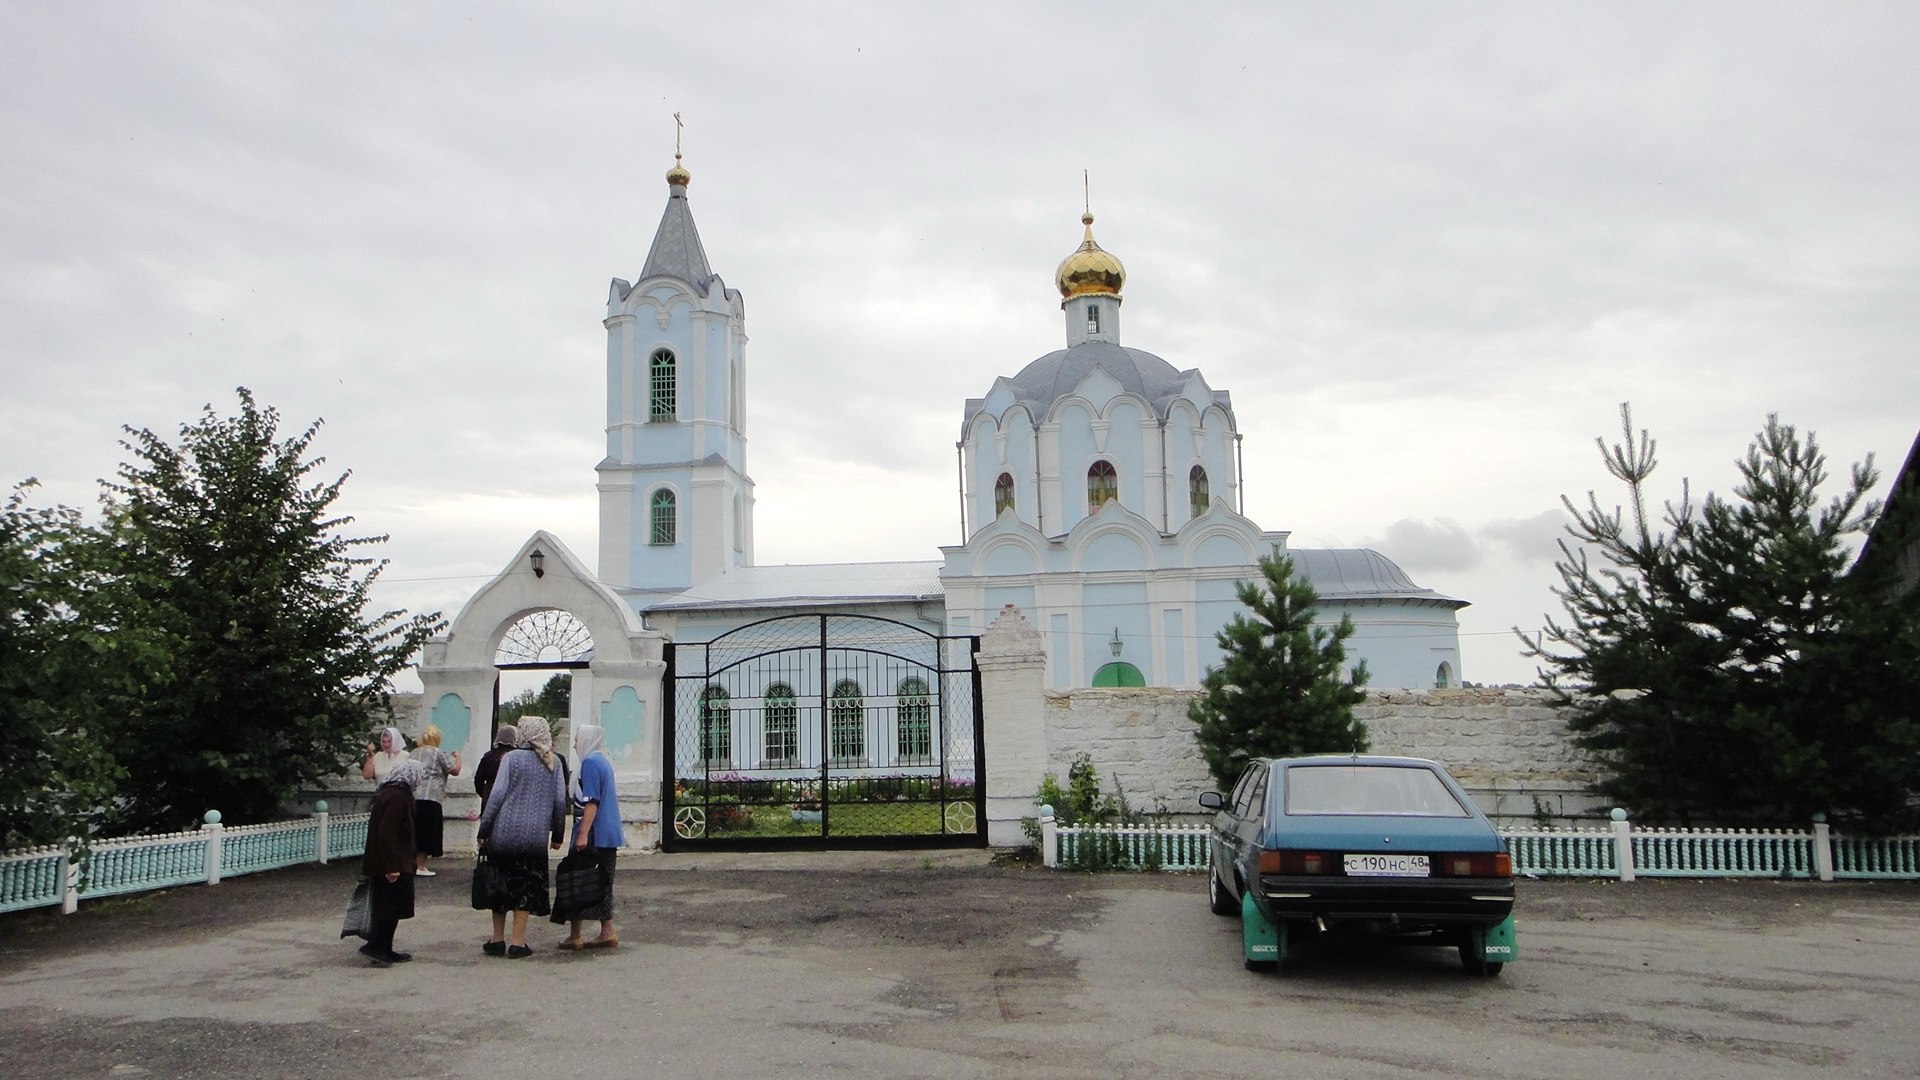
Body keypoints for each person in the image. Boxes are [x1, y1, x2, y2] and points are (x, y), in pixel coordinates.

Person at [474, 716, 566, 958]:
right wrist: (557, 835)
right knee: (525, 885)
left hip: (503, 834)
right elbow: (560, 802)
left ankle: (496, 939)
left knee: (500, 883)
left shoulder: (511, 759)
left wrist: (484, 830)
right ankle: (517, 941)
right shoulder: (553, 763)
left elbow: (496, 796)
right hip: (534, 838)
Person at [554, 723, 623, 950]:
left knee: (578, 879)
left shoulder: (590, 764)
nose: (574, 743)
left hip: (593, 832)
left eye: (577, 739)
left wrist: (582, 834)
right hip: (609, 833)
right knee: (602, 882)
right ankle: (607, 931)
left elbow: (591, 801)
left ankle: (575, 935)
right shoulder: (604, 761)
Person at [359, 758, 425, 967]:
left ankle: (384, 947)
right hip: (392, 863)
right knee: (388, 907)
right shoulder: (397, 797)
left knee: (391, 907)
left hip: (389, 861)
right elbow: (387, 833)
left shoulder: (389, 793)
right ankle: (377, 947)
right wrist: (392, 866)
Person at [406, 725, 461, 877]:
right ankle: (421, 865)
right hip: (431, 797)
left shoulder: (413, 753)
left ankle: (411, 863)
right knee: (427, 833)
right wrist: (458, 757)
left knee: (414, 832)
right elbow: (455, 770)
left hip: (413, 797)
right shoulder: (437, 753)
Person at [473, 723, 518, 811]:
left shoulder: (489, 756)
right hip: (509, 800)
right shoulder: (516, 758)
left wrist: (485, 793)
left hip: (490, 796)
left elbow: (478, 780)